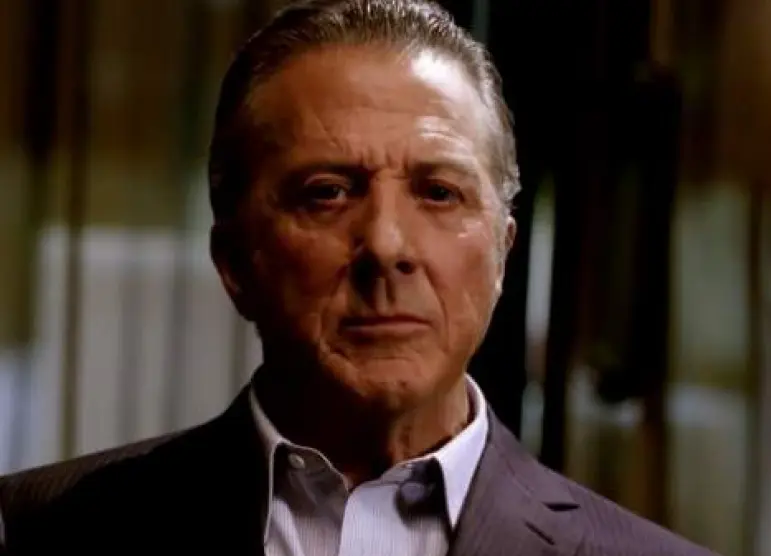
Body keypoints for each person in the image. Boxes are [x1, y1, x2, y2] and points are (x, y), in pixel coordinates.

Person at [0, 1, 716, 554]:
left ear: (502, 253)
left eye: (439, 193)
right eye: (327, 193)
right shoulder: (39, 533)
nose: (387, 245)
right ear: (234, 260)